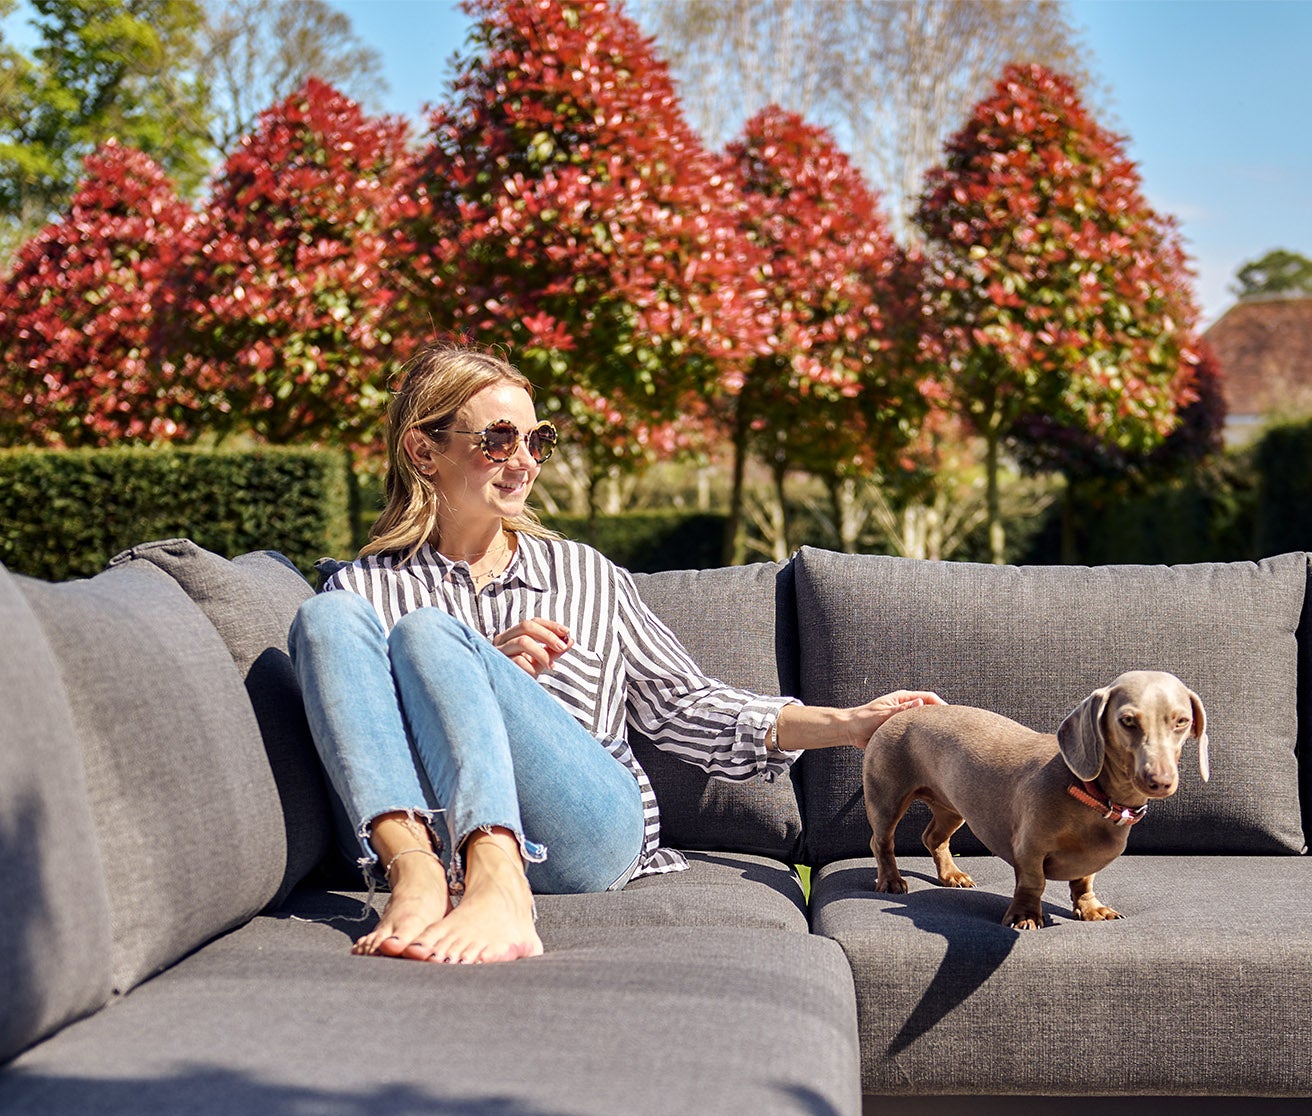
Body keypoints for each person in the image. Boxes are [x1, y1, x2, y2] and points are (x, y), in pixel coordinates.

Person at [289, 339, 941, 965]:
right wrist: (476, 668)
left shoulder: (585, 576)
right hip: (423, 829)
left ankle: (500, 882)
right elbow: (363, 738)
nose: (525, 461)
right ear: (422, 451)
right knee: (326, 617)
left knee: (429, 633)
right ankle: (415, 877)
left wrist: (850, 724)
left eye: (537, 440)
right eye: (498, 439)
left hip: (580, 828)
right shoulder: (365, 587)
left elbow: (687, 706)